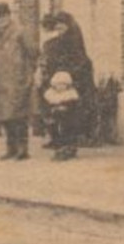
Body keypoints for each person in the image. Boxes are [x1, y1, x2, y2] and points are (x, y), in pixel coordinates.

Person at [39, 11, 96, 160]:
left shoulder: (75, 43)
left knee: (69, 115)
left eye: (63, 28)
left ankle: (68, 146)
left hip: (72, 85)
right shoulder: (56, 43)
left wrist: (69, 77)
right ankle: (61, 143)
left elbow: (80, 63)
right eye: (58, 28)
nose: (60, 31)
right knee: (57, 114)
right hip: (58, 84)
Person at [0, 2, 37, 161]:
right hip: (1, 81)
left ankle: (23, 150)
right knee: (5, 116)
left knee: (19, 115)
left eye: (3, 16)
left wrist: (28, 73)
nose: (0, 20)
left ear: (9, 16)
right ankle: (11, 148)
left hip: (18, 80)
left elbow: (33, 52)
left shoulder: (20, 32)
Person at [41, 71, 81, 161]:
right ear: (54, 84)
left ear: (68, 85)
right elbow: (46, 107)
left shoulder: (71, 95)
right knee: (55, 134)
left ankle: (68, 149)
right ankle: (59, 149)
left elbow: (73, 108)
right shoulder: (50, 95)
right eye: (58, 84)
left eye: (63, 84)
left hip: (67, 120)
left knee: (67, 133)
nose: (61, 87)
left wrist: (66, 108)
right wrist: (49, 113)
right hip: (55, 119)